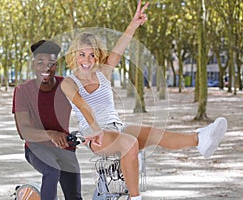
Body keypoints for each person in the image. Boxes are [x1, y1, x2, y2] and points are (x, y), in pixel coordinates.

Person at [61, 1, 227, 199]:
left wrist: (134, 23)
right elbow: (82, 104)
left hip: (117, 127)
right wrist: (97, 128)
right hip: (94, 133)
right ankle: (135, 197)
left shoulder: (103, 72)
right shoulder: (68, 82)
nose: (87, 60)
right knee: (130, 143)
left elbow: (120, 47)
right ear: (74, 55)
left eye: (92, 55)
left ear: (97, 57)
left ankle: (200, 140)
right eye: (82, 54)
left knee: (152, 133)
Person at [12, 40, 82, 200]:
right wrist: (51, 134)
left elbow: (86, 107)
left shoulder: (66, 85)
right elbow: (24, 132)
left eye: (51, 63)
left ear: (56, 65)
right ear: (33, 64)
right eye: (40, 63)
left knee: (74, 196)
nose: (46, 68)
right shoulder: (22, 91)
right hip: (36, 147)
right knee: (52, 169)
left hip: (65, 147)